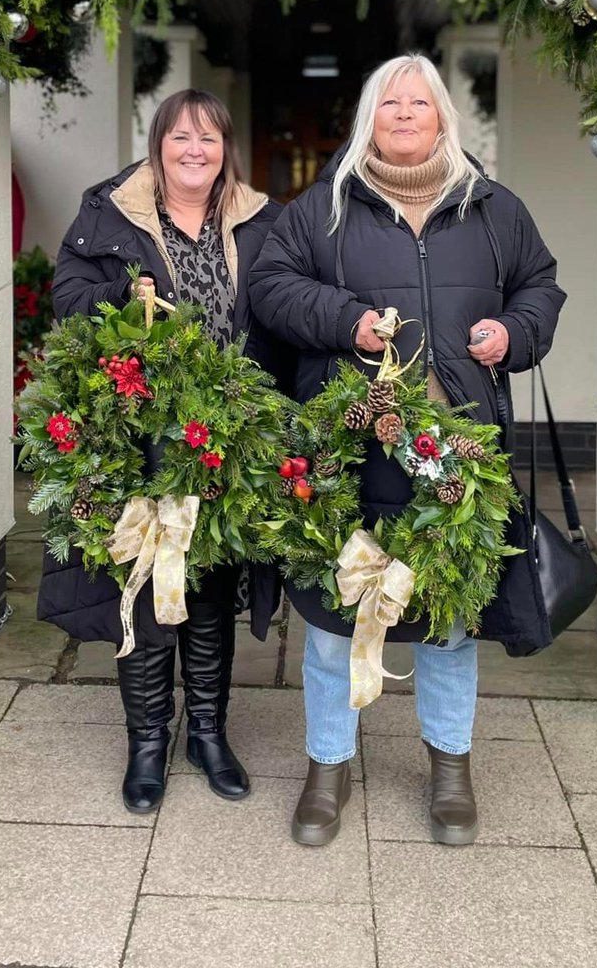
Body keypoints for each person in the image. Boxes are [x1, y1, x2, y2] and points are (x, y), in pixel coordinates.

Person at [248, 53, 566, 847]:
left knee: (451, 621)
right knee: (331, 624)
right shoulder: (320, 208)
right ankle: (328, 768)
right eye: (388, 100)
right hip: (348, 459)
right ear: (368, 116)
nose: (403, 112)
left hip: (457, 461)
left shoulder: (494, 209)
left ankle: (451, 770)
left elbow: (541, 287)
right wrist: (344, 319)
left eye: (418, 101)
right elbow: (271, 286)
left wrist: (514, 332)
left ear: (441, 117)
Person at [38, 89, 289, 814]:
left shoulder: (259, 220)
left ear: (225, 151)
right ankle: (147, 739)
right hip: (141, 436)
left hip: (224, 441)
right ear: (159, 145)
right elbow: (69, 302)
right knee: (146, 588)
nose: (194, 150)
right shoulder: (110, 214)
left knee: (209, 589)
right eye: (181, 136)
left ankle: (207, 733)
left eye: (209, 139)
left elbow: (282, 310)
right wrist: (122, 291)